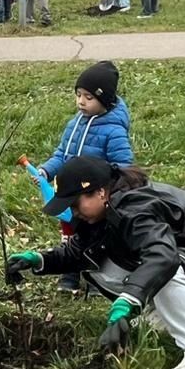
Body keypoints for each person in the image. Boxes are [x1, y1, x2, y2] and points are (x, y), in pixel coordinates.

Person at [7, 156, 185, 369]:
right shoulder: (99, 213)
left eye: (75, 203)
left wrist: (130, 299)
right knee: (96, 266)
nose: (73, 212)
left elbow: (163, 256)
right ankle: (161, 316)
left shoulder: (135, 208)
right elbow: (79, 253)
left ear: (100, 191)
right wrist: (38, 260)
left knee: (165, 270)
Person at [32, 61, 133, 292]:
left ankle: (98, 276)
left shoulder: (114, 131)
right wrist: (47, 170)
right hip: (70, 193)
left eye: (88, 97)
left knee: (95, 237)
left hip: (92, 196)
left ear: (104, 100)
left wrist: (110, 188)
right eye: (78, 95)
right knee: (70, 233)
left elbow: (124, 165)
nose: (81, 101)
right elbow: (62, 153)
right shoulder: (74, 125)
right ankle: (70, 273)